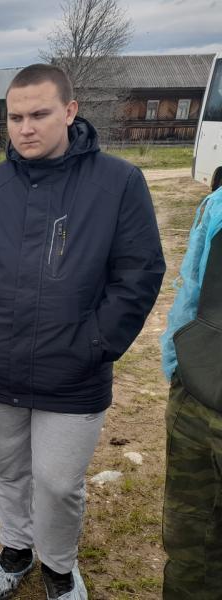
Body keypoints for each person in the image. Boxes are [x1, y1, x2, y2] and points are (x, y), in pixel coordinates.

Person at [0, 64, 165, 600]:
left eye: (39, 114)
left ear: (69, 111)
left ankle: (59, 566)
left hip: (76, 369)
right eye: (15, 117)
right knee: (10, 470)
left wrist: (97, 343)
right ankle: (15, 547)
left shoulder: (118, 183)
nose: (26, 127)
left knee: (59, 483)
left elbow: (139, 274)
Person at [160, 185, 222, 599]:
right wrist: (178, 366)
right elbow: (192, 287)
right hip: (201, 399)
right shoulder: (217, 205)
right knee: (192, 548)